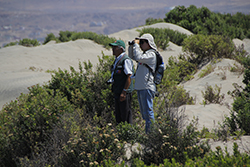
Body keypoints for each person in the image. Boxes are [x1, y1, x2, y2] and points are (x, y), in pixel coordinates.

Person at [131, 33, 157, 133]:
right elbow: (133, 56)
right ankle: (149, 133)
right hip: (141, 87)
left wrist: (136, 45)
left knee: (148, 113)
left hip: (147, 87)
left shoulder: (151, 54)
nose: (141, 45)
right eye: (140, 42)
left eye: (142, 42)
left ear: (149, 43)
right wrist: (132, 45)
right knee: (144, 114)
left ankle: (151, 135)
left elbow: (138, 57)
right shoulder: (144, 55)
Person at [109, 40, 134, 125]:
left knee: (126, 116)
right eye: (112, 47)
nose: (113, 49)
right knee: (118, 117)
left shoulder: (125, 60)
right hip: (118, 91)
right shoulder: (117, 60)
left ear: (121, 49)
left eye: (115, 47)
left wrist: (124, 92)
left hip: (124, 93)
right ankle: (120, 136)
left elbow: (129, 76)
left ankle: (128, 135)